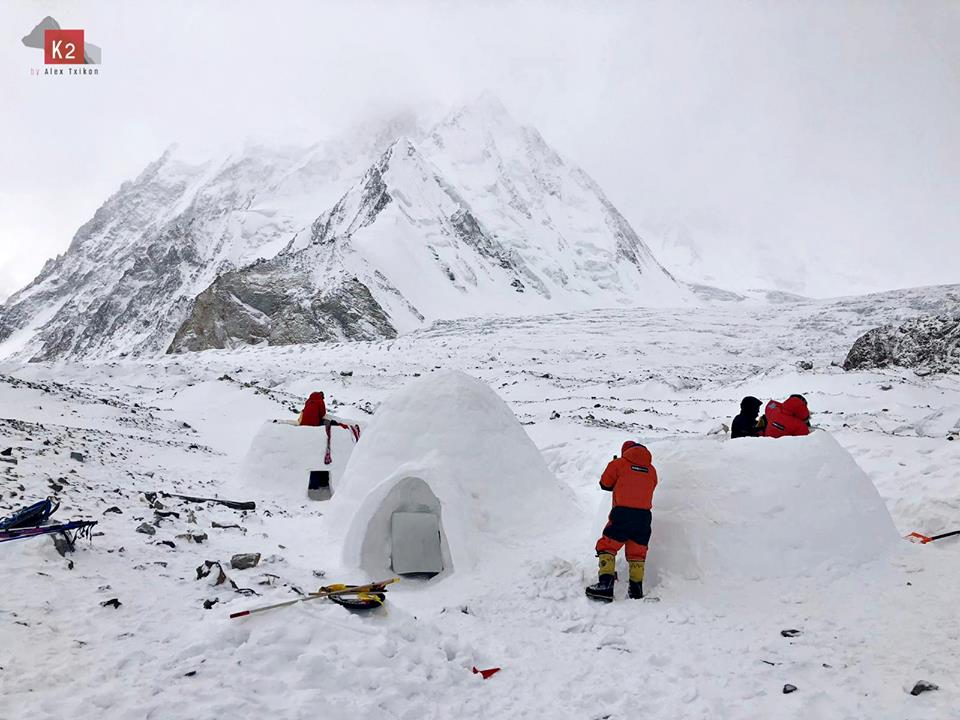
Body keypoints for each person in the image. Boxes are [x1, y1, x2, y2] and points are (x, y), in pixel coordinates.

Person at [586, 441, 658, 601]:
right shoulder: (652, 470)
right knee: (638, 551)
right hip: (644, 516)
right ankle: (636, 590)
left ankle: (605, 586)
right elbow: (648, 487)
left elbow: (605, 484)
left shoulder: (619, 464)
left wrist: (614, 465)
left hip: (623, 513)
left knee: (608, 545)